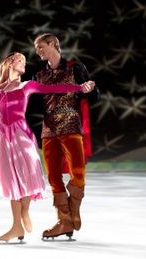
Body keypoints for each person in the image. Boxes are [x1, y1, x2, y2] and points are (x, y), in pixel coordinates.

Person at [0, 52, 92, 243]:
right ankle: (16, 225)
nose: (25, 65)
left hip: (22, 137)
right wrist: (2, 89)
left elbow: (54, 88)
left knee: (25, 178)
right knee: (12, 181)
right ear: (10, 63)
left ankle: (24, 211)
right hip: (4, 139)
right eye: (21, 61)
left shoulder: (26, 86)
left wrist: (79, 87)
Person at [33, 33, 98, 239]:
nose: (38, 51)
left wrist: (88, 89)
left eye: (41, 46)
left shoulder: (75, 67)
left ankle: (73, 209)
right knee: (53, 176)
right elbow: (30, 101)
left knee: (78, 171)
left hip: (70, 125)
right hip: (49, 129)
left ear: (52, 44)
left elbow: (91, 94)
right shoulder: (38, 75)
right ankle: (64, 221)